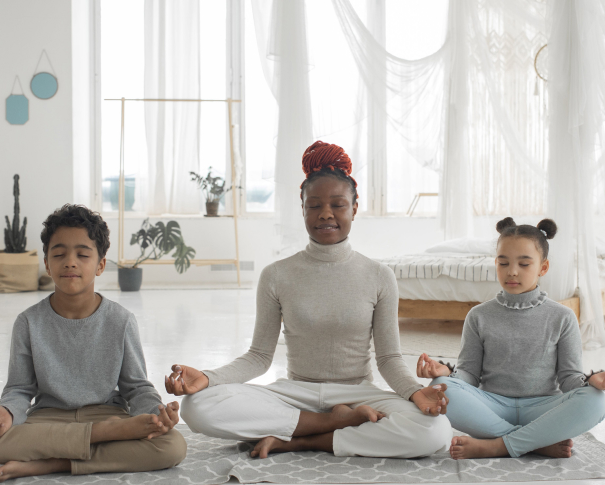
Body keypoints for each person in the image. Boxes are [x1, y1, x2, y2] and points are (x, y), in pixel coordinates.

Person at [167, 141, 452, 459]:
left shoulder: (379, 276)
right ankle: (330, 423)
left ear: (354, 208)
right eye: (314, 205)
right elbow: (259, 357)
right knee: (197, 406)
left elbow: (388, 360)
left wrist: (415, 393)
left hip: (357, 392)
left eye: (338, 204)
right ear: (302, 209)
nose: (325, 214)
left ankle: (302, 439)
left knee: (436, 431)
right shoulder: (277, 275)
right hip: (295, 393)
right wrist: (208, 377)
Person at [0, 204, 186, 482]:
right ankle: (97, 439)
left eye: (82, 254)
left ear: (100, 265)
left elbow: (137, 387)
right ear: (47, 263)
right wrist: (6, 412)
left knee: (172, 446)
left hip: (107, 415)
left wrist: (156, 415)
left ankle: (52, 463)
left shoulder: (121, 320)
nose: (70, 262)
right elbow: (20, 389)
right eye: (59, 254)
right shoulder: (28, 322)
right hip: (51, 421)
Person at [417, 217, 605, 460]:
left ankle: (497, 446)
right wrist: (444, 372)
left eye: (524, 264)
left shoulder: (563, 317)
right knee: (440, 389)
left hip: (543, 409)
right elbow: (469, 377)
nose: (512, 271)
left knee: (596, 401)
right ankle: (533, 443)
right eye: (503, 263)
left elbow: (569, 379)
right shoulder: (478, 316)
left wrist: (593, 382)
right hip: (492, 407)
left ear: (543, 268)